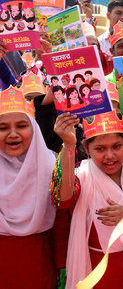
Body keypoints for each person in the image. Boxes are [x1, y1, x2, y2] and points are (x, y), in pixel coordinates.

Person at [53, 110, 123, 289]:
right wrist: (68, 145)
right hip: (96, 272)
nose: (110, 155)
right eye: (100, 149)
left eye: (117, 146)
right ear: (86, 148)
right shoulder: (81, 177)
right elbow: (63, 200)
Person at [0, 87, 65, 289]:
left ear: (35, 129)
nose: (13, 134)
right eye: (2, 128)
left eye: (21, 125)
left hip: (40, 265)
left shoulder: (51, 166)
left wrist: (63, 269)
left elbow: (62, 227)